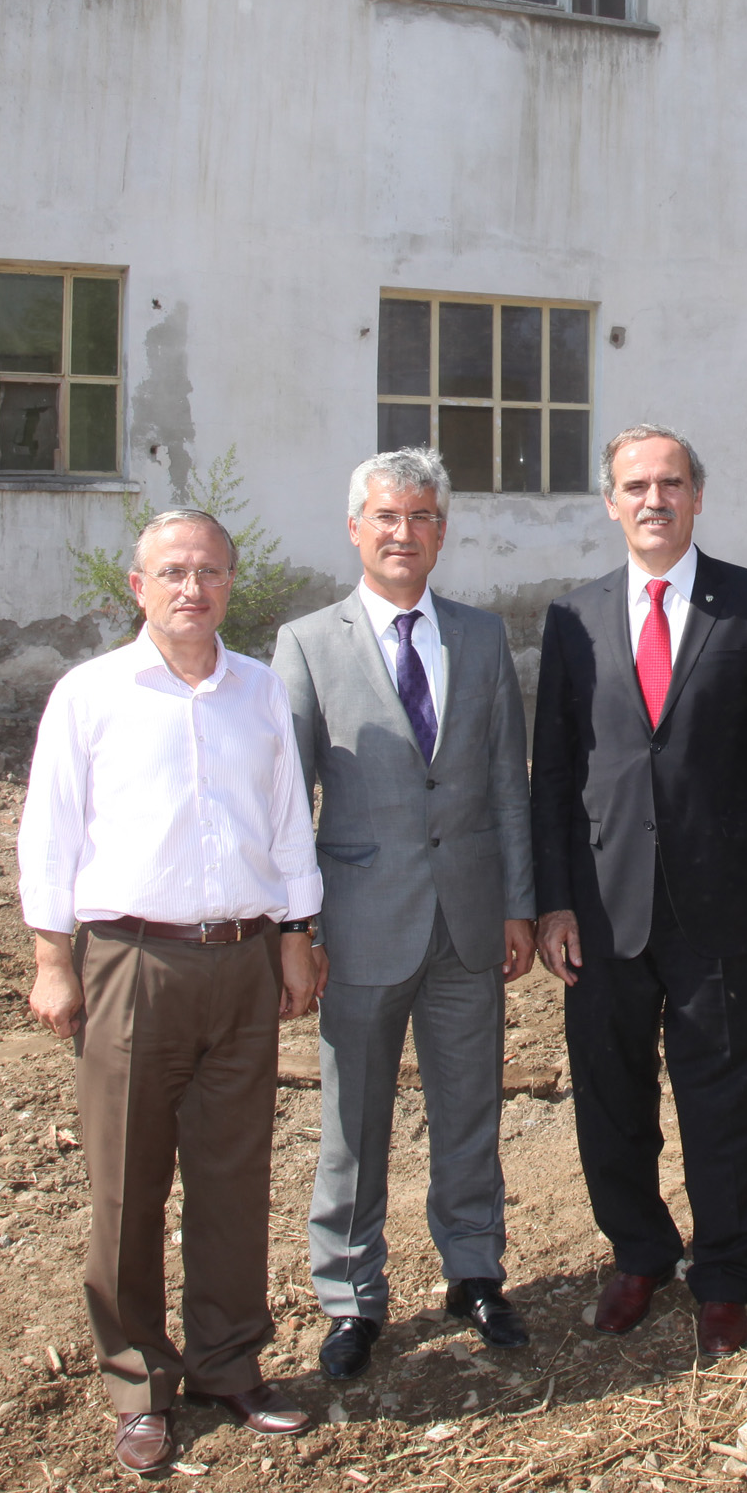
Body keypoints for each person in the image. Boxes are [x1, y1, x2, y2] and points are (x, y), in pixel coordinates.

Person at [19, 508, 328, 1476]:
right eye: (173, 572)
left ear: (232, 583)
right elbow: (50, 830)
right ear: (138, 585)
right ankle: (138, 1383)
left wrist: (295, 935)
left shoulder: (259, 689)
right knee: (128, 1182)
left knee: (234, 1174)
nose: (192, 588)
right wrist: (52, 958)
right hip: (130, 963)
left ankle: (228, 1364)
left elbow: (287, 818)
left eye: (209, 572)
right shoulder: (90, 693)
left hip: (242, 957)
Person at [529, 424, 747, 1358]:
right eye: (636, 485)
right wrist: (555, 901)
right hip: (603, 909)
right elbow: (553, 773)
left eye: (671, 483)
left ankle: (726, 1275)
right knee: (612, 1097)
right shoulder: (572, 618)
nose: (654, 499)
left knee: (727, 1100)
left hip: (723, 906)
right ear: (610, 502)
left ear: (697, 495)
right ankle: (640, 1254)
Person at [275, 448, 538, 1381]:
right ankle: (351, 1297)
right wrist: (296, 932)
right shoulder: (308, 644)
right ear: (356, 528)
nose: (404, 533)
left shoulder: (481, 637)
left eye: (422, 517)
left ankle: (475, 1272)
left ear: (442, 531)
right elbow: (286, 799)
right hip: (358, 927)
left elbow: (508, 781)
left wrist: (517, 904)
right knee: (354, 1122)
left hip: (468, 922)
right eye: (386, 517)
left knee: (470, 1108)